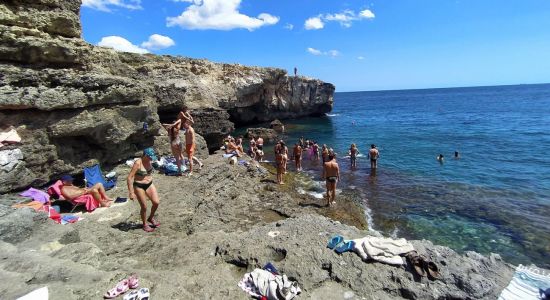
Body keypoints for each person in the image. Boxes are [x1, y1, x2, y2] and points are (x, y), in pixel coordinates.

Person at [127, 148, 160, 232]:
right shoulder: (138, 163)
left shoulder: (149, 160)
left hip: (149, 184)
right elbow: (129, 177)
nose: (151, 158)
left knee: (156, 202)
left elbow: (149, 171)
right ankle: (145, 224)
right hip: (139, 185)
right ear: (145, 155)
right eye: (150, 157)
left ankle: (151, 218)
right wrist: (131, 192)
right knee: (144, 207)